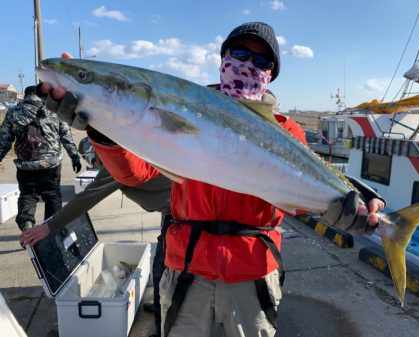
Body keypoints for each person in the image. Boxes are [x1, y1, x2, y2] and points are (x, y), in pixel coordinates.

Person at [37, 22, 385, 337]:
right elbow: (134, 173)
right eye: (239, 52)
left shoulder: (286, 131)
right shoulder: (180, 108)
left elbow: (294, 198)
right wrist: (105, 133)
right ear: (223, 57)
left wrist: (341, 207)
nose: (248, 64)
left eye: (262, 61)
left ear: (271, 74)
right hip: (187, 270)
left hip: (253, 274)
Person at [19, 136, 172, 337]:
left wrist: (49, 227)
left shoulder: (117, 164)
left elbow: (88, 197)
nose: (95, 167)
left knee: (164, 265)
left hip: (179, 210)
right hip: (171, 207)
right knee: (167, 263)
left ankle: (163, 327)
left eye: (93, 161)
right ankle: (163, 304)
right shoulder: (128, 152)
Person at [0, 86, 82, 231]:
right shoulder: (54, 112)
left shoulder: (13, 113)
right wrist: (75, 156)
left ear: (25, 96)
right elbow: (66, 136)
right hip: (51, 165)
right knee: (52, 197)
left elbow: (4, 140)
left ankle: (27, 224)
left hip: (26, 166)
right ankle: (51, 232)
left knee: (28, 195)